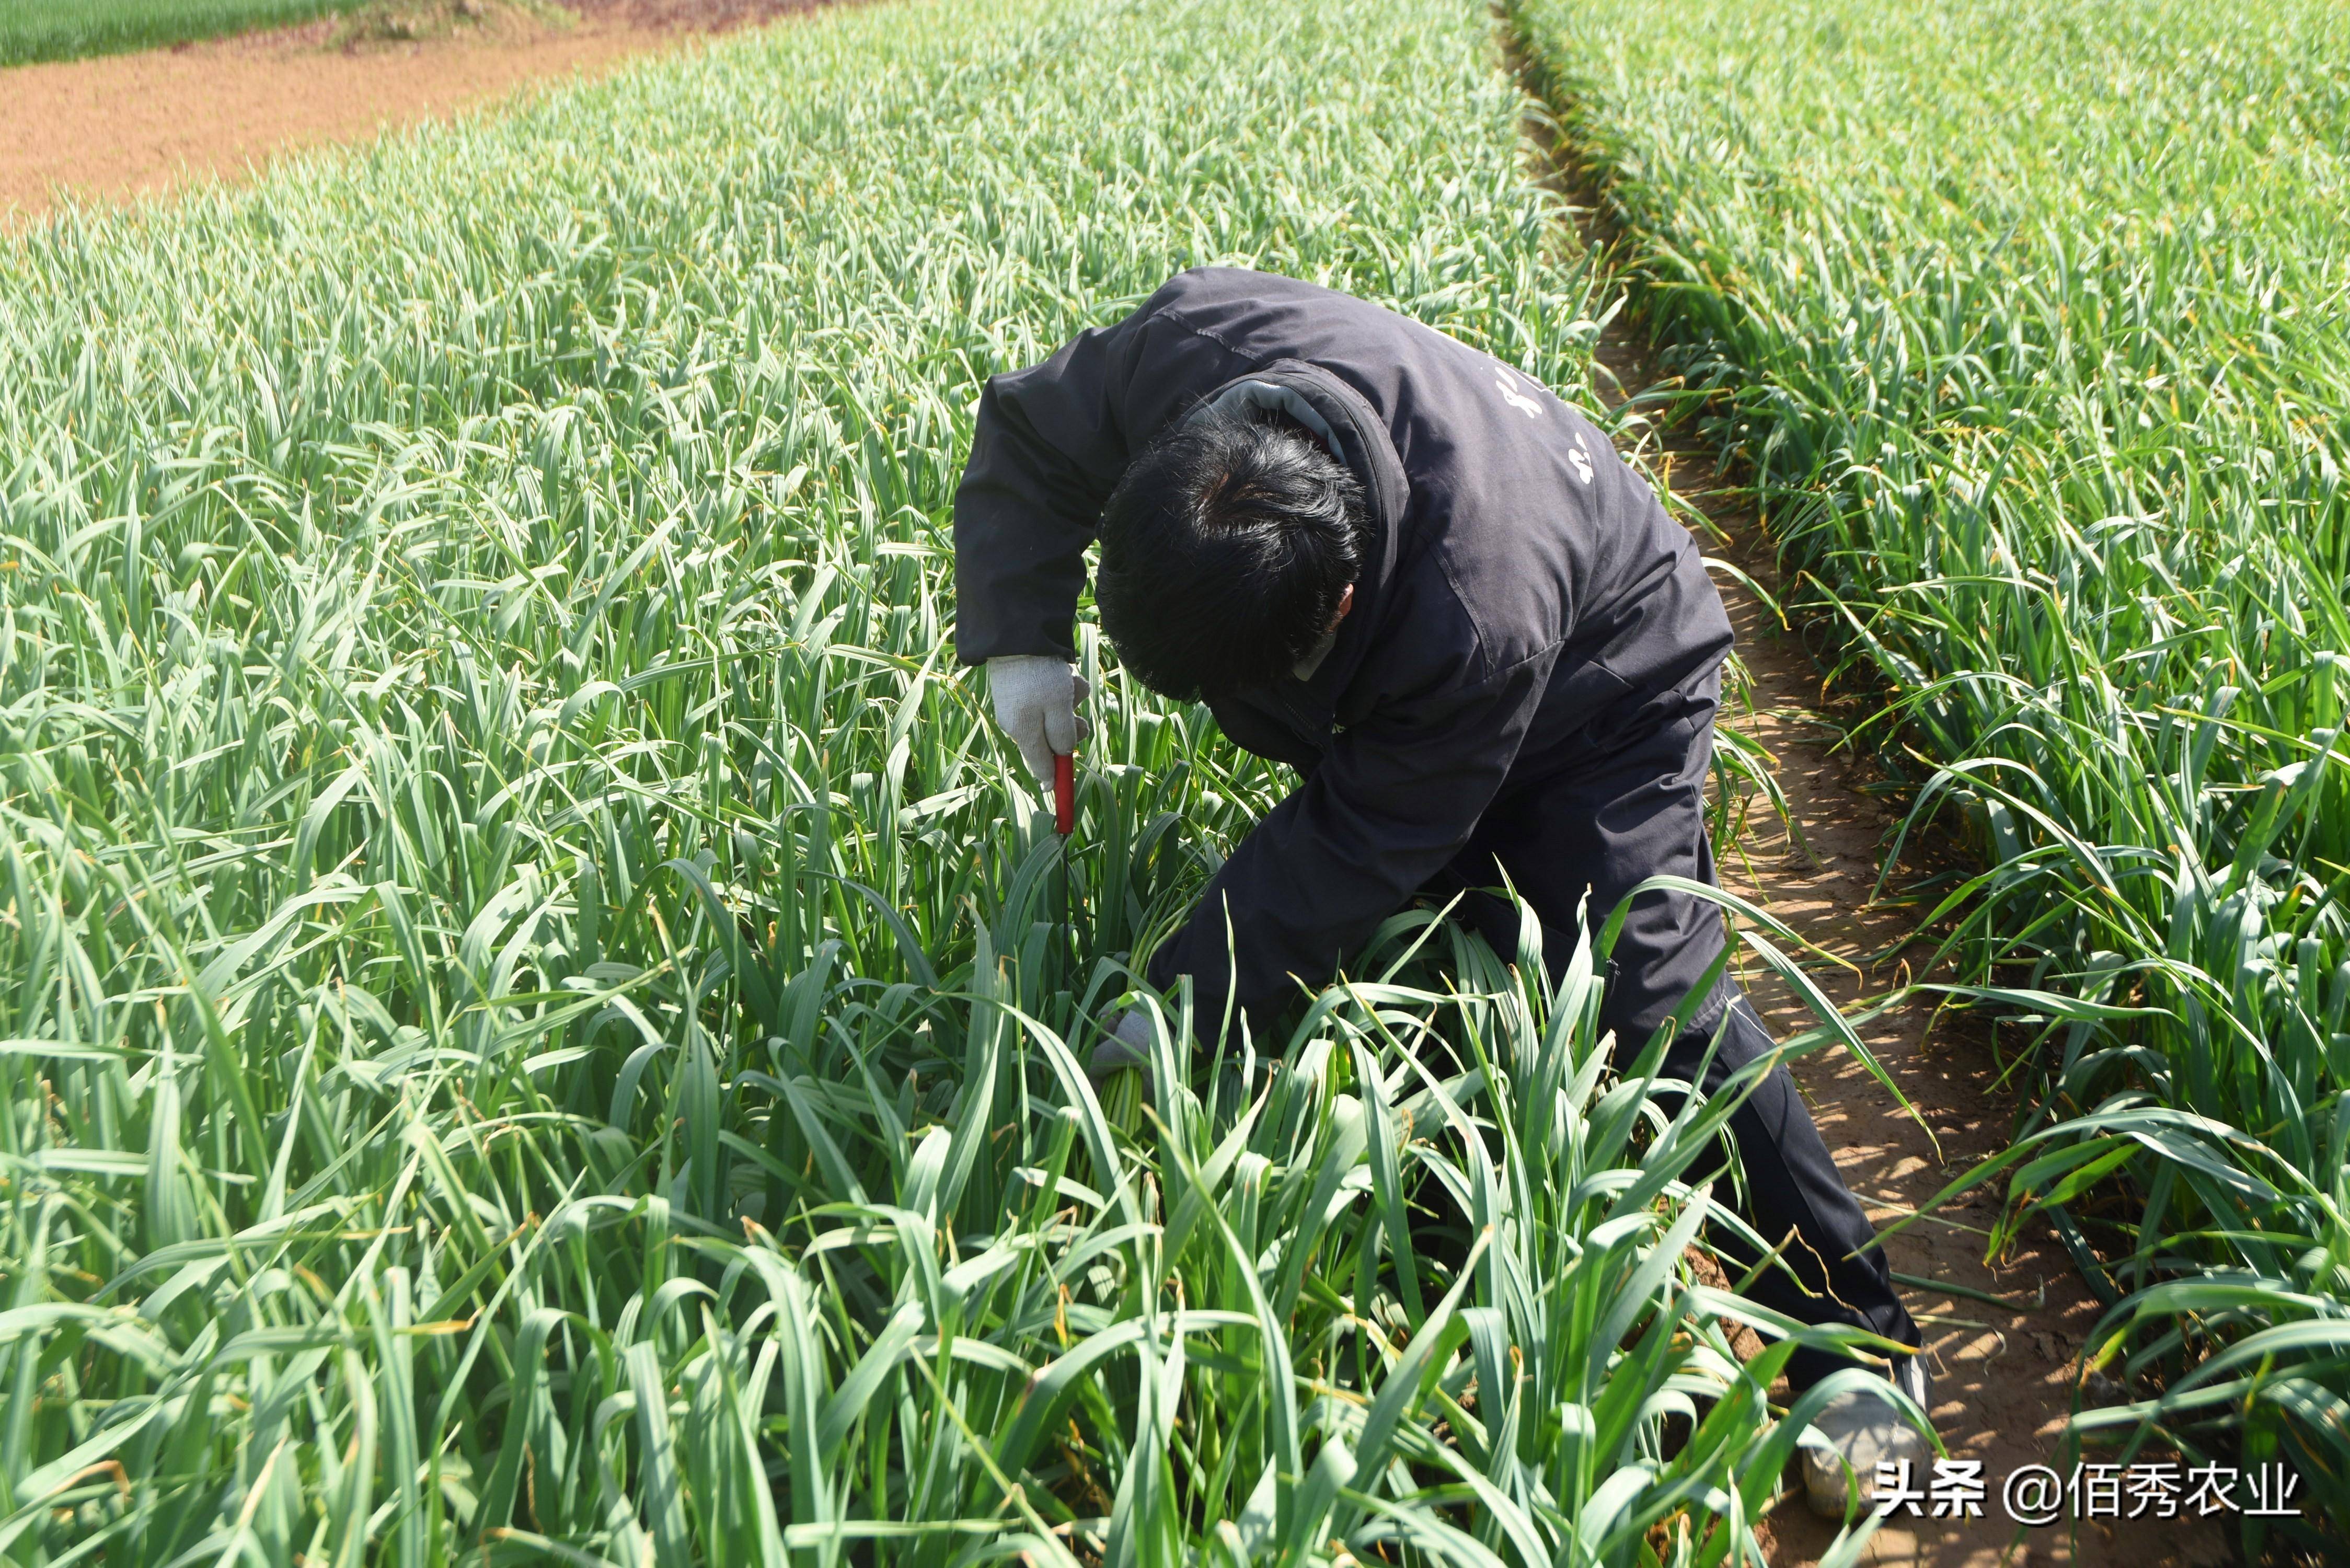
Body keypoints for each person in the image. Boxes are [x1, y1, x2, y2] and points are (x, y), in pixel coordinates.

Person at [952, 266, 1929, 1513]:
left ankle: (1853, 1344)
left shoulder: (1477, 607)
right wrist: (1023, 632)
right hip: (1421, 638)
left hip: (1608, 678)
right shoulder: (1185, 349)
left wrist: (1170, 1015)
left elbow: (1352, 844)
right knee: (1422, 955)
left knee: (1637, 988)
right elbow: (1036, 430)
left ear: (1341, 605)